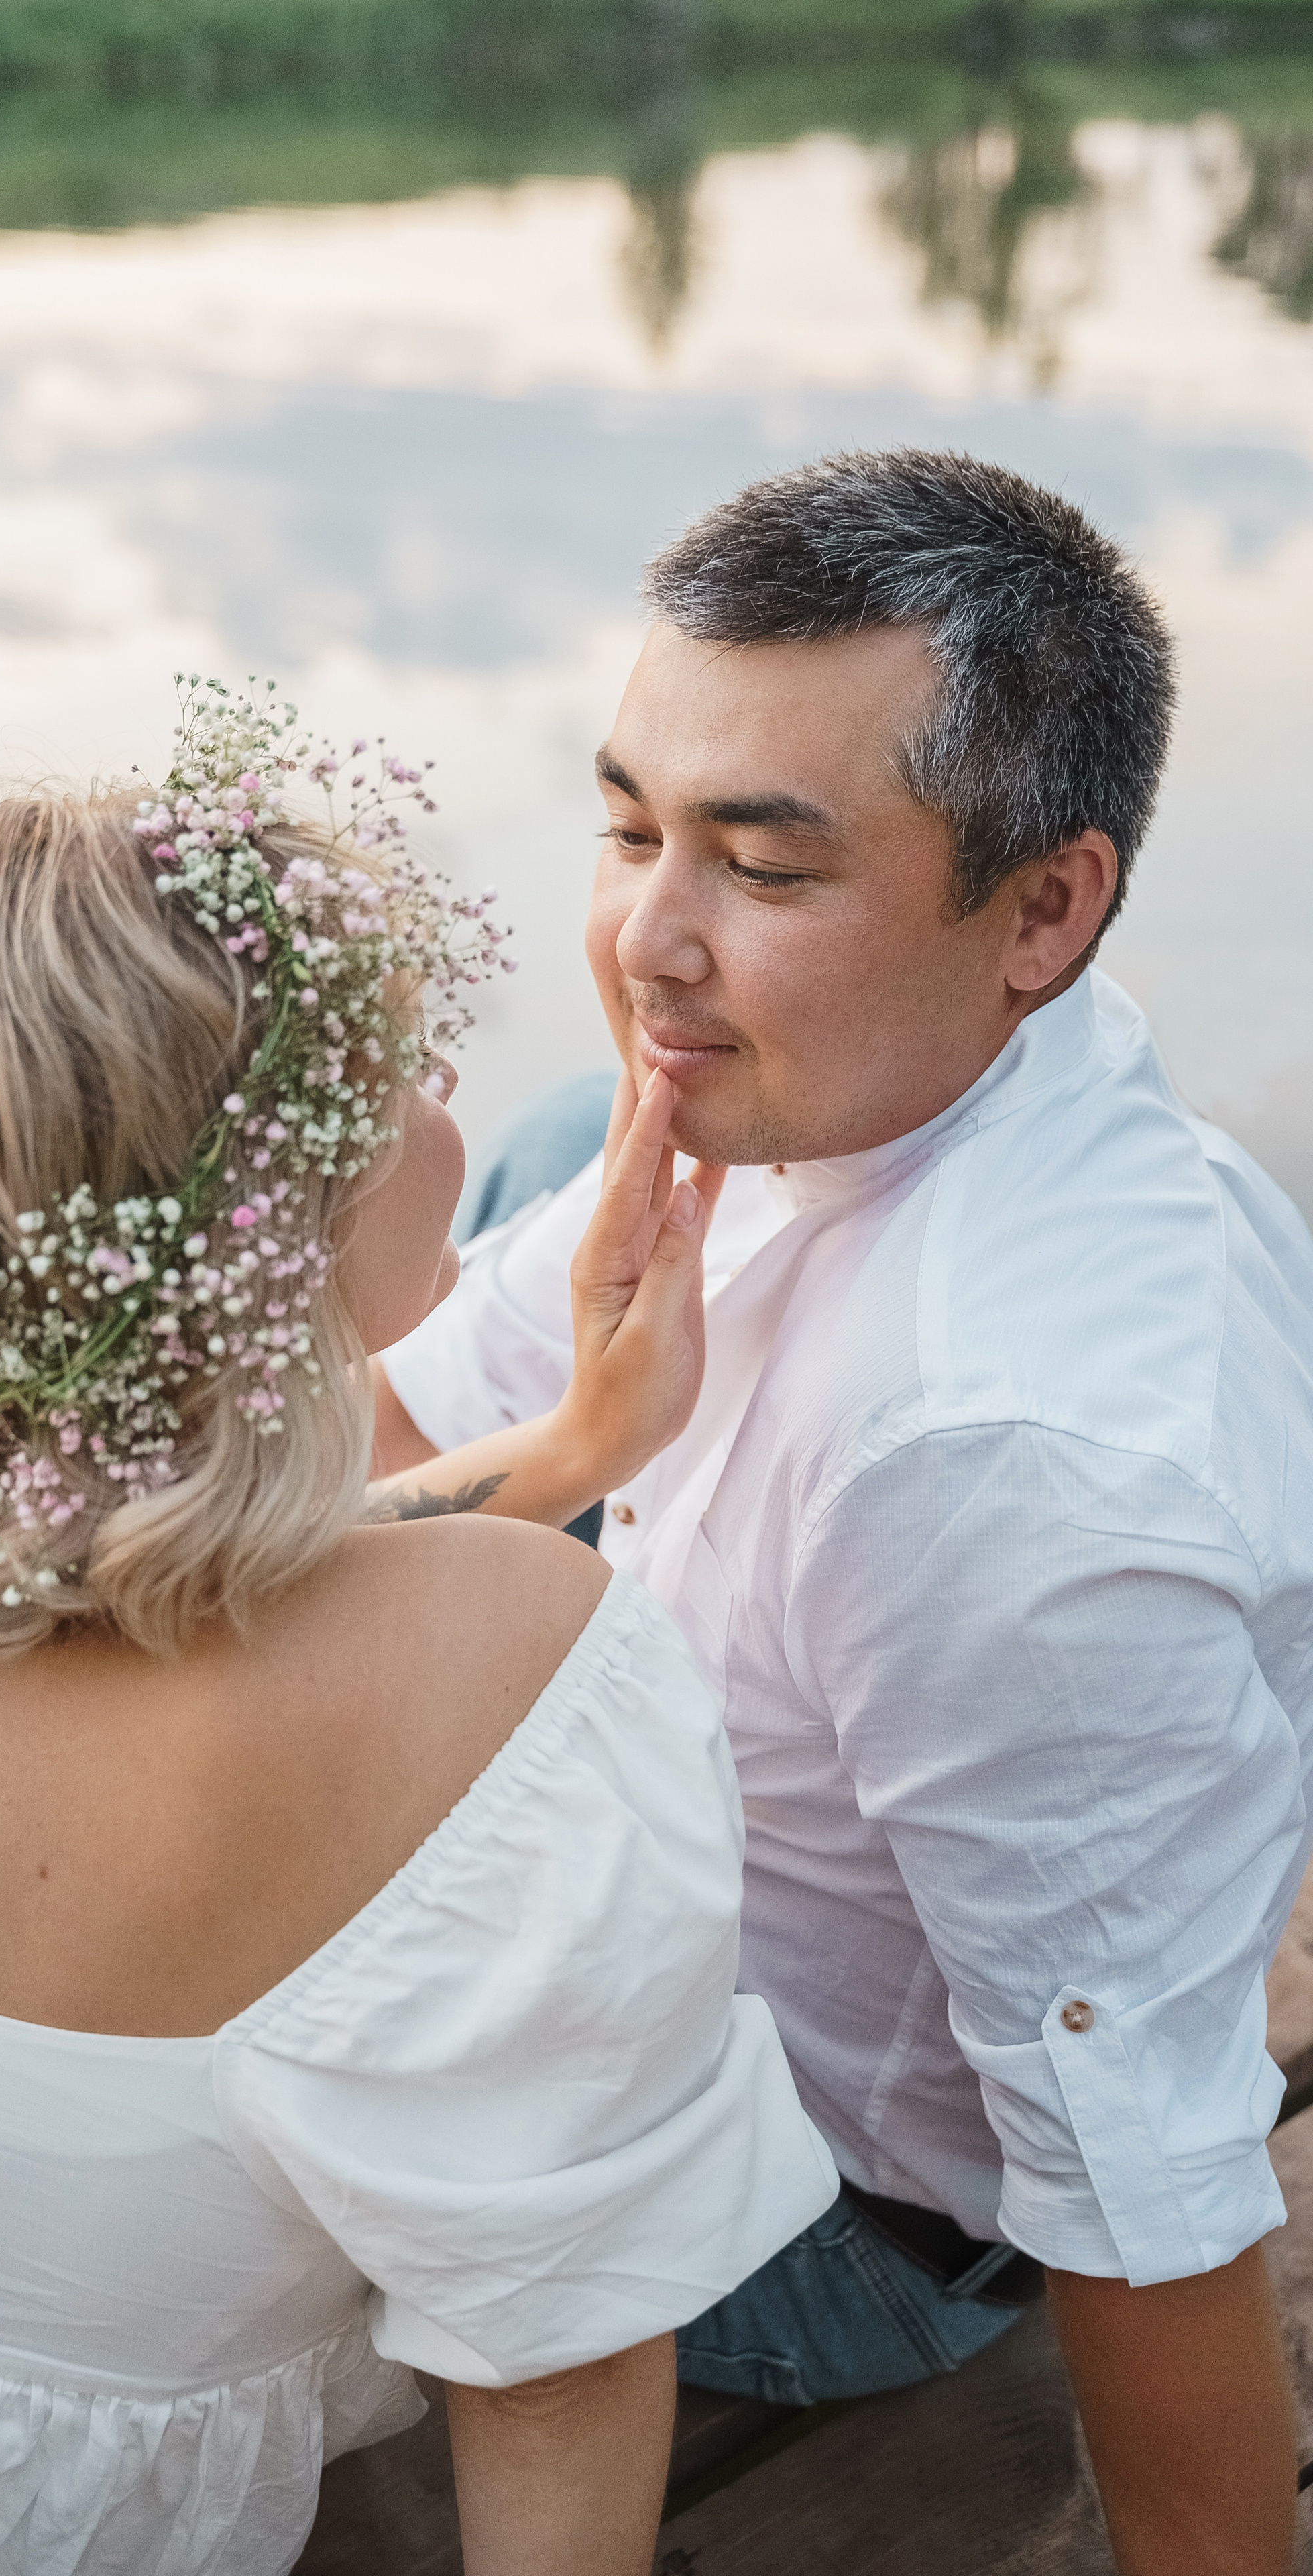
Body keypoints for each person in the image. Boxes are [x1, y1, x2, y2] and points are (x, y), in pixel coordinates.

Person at [0, 688, 838, 2576]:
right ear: (249, 1209)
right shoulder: (521, 1673)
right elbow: (559, 2374)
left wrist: (577, 1444)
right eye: (408, 1077)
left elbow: (105, 1598)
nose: (456, 1119)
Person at [373, 452, 1313, 2576]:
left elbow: (1145, 2186)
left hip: (813, 2232)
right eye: (631, 829)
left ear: (1045, 911)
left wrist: (544, 1475)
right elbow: (349, 1457)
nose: (641, 943)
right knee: (544, 1142)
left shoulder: (1003, 1485)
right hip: (746, 1806)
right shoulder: (888, 1078)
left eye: (765, 873)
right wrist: (566, 1454)